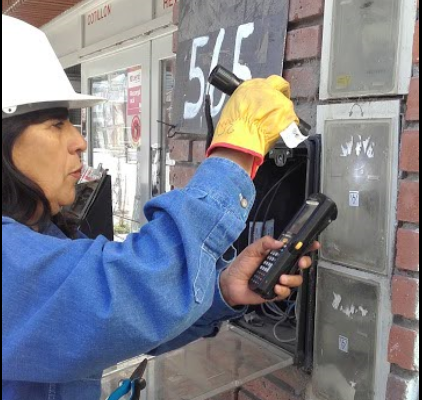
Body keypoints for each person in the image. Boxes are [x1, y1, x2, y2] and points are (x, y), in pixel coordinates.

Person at [2, 15, 319, 400]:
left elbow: (119, 325)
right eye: (56, 125)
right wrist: (237, 152)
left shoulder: (37, 235)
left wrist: (222, 289)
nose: (79, 141)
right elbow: (125, 293)